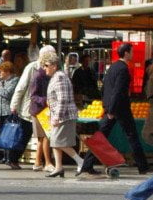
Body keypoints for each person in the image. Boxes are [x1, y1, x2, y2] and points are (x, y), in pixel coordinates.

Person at [79, 42, 149, 176]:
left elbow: (105, 88)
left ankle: (87, 164)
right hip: (120, 108)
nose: (133, 54)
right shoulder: (123, 69)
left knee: (100, 136)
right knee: (132, 136)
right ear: (126, 53)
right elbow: (118, 91)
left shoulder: (112, 67)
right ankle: (143, 166)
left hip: (111, 107)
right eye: (132, 51)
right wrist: (111, 110)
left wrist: (106, 107)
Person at [39, 51, 85, 178]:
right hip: (58, 115)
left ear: (54, 65)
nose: (44, 68)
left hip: (64, 116)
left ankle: (80, 161)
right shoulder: (56, 76)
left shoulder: (59, 77)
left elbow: (63, 99)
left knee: (59, 142)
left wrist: (57, 117)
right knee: (55, 140)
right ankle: (58, 167)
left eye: (46, 65)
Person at [11, 45, 56, 173]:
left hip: (45, 109)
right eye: (51, 55)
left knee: (43, 136)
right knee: (25, 134)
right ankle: (13, 158)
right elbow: (21, 86)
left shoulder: (53, 67)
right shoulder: (32, 68)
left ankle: (40, 162)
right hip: (30, 107)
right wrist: (14, 104)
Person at [0, 61, 27, 168]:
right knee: (3, 135)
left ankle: (10, 157)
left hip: (9, 112)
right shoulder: (2, 83)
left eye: (1, 72)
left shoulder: (15, 81)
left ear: (7, 72)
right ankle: (5, 156)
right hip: (1, 111)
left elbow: (7, 94)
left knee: (10, 135)